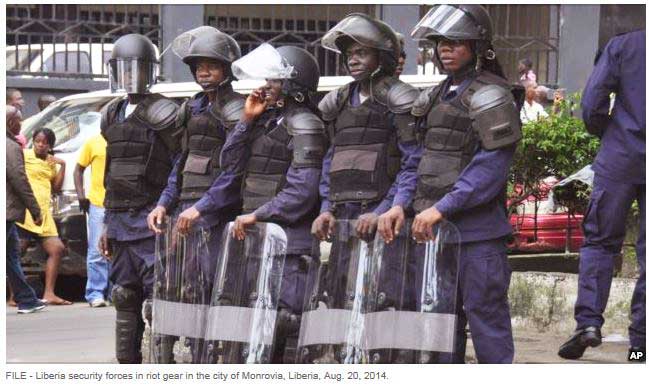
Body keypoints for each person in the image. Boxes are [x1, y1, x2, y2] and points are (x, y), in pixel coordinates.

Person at [408, 4, 522, 363]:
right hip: (436, 233)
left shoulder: (492, 94)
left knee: (486, 323)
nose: (446, 48)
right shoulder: (433, 97)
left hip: (477, 236)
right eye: (441, 42)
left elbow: (489, 169)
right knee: (439, 328)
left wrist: (440, 208)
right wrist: (401, 205)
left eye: (456, 42)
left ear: (478, 46)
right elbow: (417, 161)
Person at [308, 13, 420, 363]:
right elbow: (330, 158)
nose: (353, 59)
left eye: (362, 52)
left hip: (383, 222)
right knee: (340, 295)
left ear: (382, 56)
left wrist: (387, 208)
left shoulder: (400, 98)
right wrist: (325, 207)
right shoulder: (337, 101)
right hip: (343, 219)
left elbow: (411, 162)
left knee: (385, 302)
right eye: (349, 53)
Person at [211, 44, 327, 363]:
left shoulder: (306, 124)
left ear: (293, 84)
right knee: (254, 326)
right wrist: (247, 119)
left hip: (290, 244)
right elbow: (230, 163)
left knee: (286, 324)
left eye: (273, 81)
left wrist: (258, 215)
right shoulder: (266, 121)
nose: (265, 86)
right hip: (258, 240)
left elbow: (302, 190)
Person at [146, 27, 244, 363]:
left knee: (210, 290)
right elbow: (181, 161)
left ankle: (210, 360)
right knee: (179, 288)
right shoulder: (191, 108)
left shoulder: (237, 108)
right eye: (199, 66)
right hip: (184, 211)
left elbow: (233, 172)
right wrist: (163, 203)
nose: (204, 72)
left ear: (226, 68)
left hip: (213, 216)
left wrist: (202, 208)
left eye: (211, 65)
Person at [558, 30, 645, 361]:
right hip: (621, 154)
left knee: (599, 242)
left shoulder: (624, 45)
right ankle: (641, 343)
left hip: (620, 156)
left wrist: (609, 133)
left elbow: (593, 100)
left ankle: (588, 325)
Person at [99, 33, 181, 364]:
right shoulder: (110, 113)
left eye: (137, 69)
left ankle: (162, 365)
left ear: (150, 71)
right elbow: (109, 173)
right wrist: (106, 222)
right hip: (119, 222)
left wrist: (166, 206)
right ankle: (128, 366)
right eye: (124, 69)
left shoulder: (165, 111)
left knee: (159, 298)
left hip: (150, 221)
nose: (131, 76)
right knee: (123, 295)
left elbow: (179, 164)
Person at [16, 128, 71, 306]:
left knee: (57, 249)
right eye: (38, 141)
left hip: (43, 214)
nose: (40, 145)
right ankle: (13, 296)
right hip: (25, 212)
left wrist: (62, 165)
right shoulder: (24, 156)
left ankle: (49, 293)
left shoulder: (51, 163)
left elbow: (55, 187)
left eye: (45, 142)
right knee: (16, 253)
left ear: (50, 145)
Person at [6, 105, 46, 314]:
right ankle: (26, 299)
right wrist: (35, 210)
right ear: (11, 122)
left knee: (11, 256)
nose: (21, 125)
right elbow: (20, 180)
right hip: (6, 210)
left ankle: (26, 299)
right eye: (19, 121)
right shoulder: (10, 147)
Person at [74, 133, 110, 307]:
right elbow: (78, 169)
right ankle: (95, 292)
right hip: (98, 203)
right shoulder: (94, 142)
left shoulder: (123, 139)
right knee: (97, 250)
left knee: (119, 248)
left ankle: (115, 292)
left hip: (121, 203)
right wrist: (81, 195)